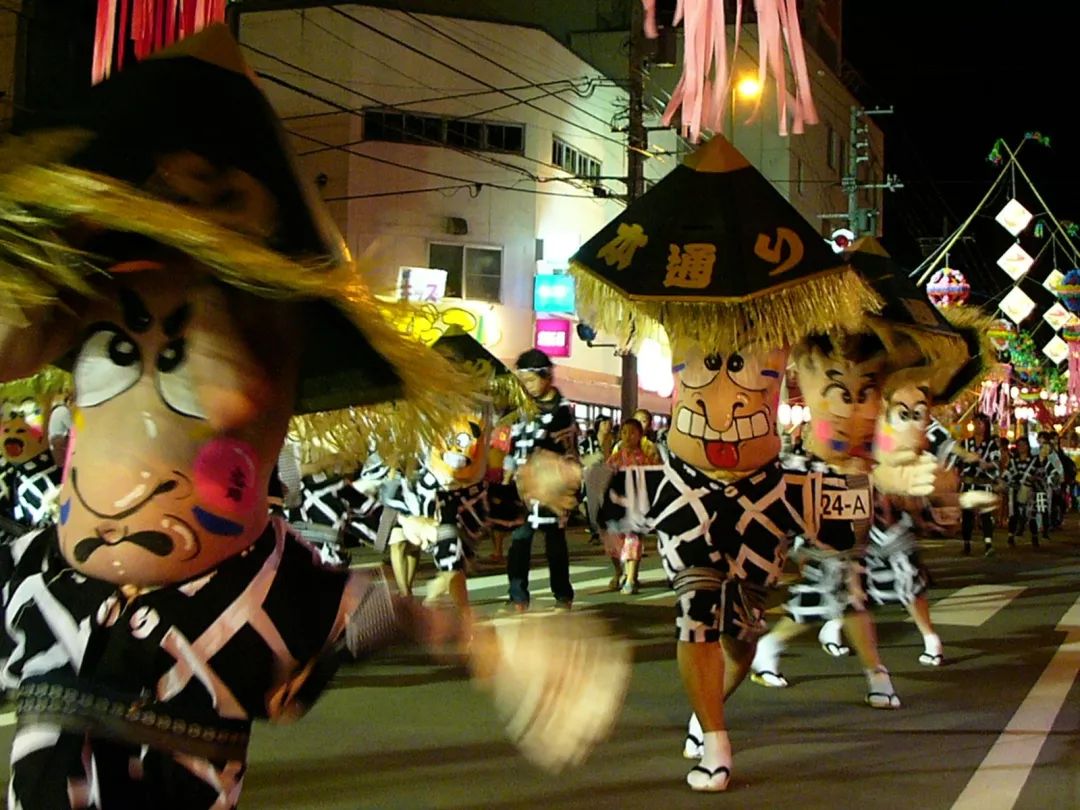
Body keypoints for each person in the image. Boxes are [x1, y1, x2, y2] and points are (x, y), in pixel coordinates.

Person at [0, 27, 627, 805]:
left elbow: (374, 618)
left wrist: (496, 652)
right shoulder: (33, 566)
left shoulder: (265, 587)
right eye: (116, 355)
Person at [504, 349, 580, 612]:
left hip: (550, 486)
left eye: (531, 380)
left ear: (546, 377)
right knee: (519, 540)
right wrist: (510, 466)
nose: (527, 386)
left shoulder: (562, 410)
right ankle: (518, 595)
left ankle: (562, 594)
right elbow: (514, 441)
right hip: (522, 486)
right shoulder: (521, 406)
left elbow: (563, 445)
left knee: (554, 541)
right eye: (523, 381)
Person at [603, 418, 660, 594]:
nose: (628, 436)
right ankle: (619, 572)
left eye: (632, 432)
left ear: (640, 436)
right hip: (616, 507)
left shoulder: (646, 459)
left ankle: (631, 578)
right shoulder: (615, 458)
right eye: (624, 432)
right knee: (613, 540)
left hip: (636, 507)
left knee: (633, 539)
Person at [959, 414, 1001, 556]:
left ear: (985, 426)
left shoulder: (991, 444)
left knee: (986, 515)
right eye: (975, 423)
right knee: (967, 516)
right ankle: (967, 543)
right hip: (969, 483)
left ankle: (988, 544)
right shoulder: (965, 443)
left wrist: (987, 464)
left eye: (981, 423)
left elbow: (996, 462)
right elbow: (958, 462)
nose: (978, 426)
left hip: (984, 483)